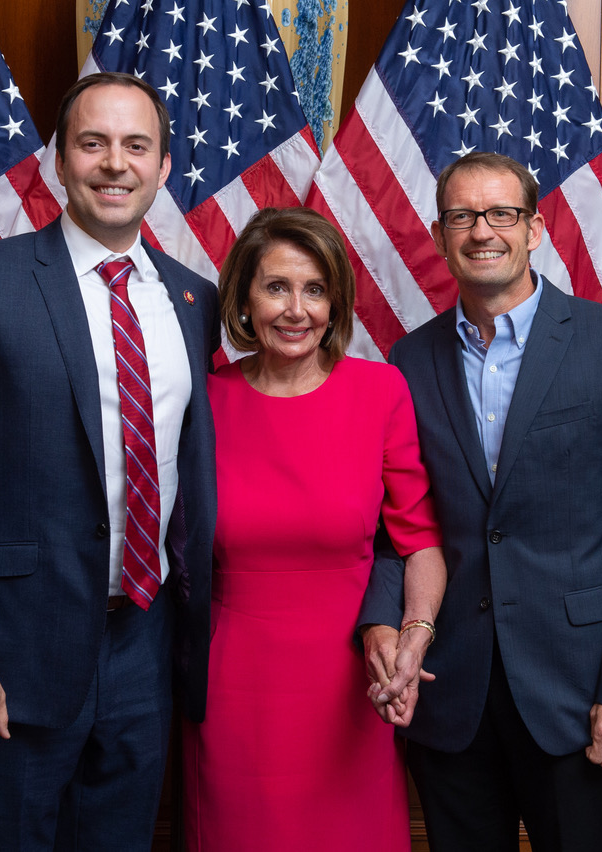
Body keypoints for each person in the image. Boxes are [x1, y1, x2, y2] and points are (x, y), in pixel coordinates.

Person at [0, 73, 218, 851]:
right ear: (59, 162)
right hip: (13, 656)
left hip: (145, 644)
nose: (116, 163)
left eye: (136, 146)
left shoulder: (194, 298)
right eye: (93, 143)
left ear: (163, 166)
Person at [363, 152, 602, 852]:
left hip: (578, 691)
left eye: (501, 213)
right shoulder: (408, 363)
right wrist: (384, 629)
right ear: (442, 235)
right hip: (452, 691)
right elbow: (398, 525)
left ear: (534, 229)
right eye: (463, 217)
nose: (483, 231)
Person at [180, 207, 446, 851]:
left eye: (315, 289)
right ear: (244, 298)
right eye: (276, 287)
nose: (296, 309)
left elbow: (420, 542)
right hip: (230, 684)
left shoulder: (380, 391)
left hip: (353, 679)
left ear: (336, 304)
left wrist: (413, 637)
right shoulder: (204, 399)